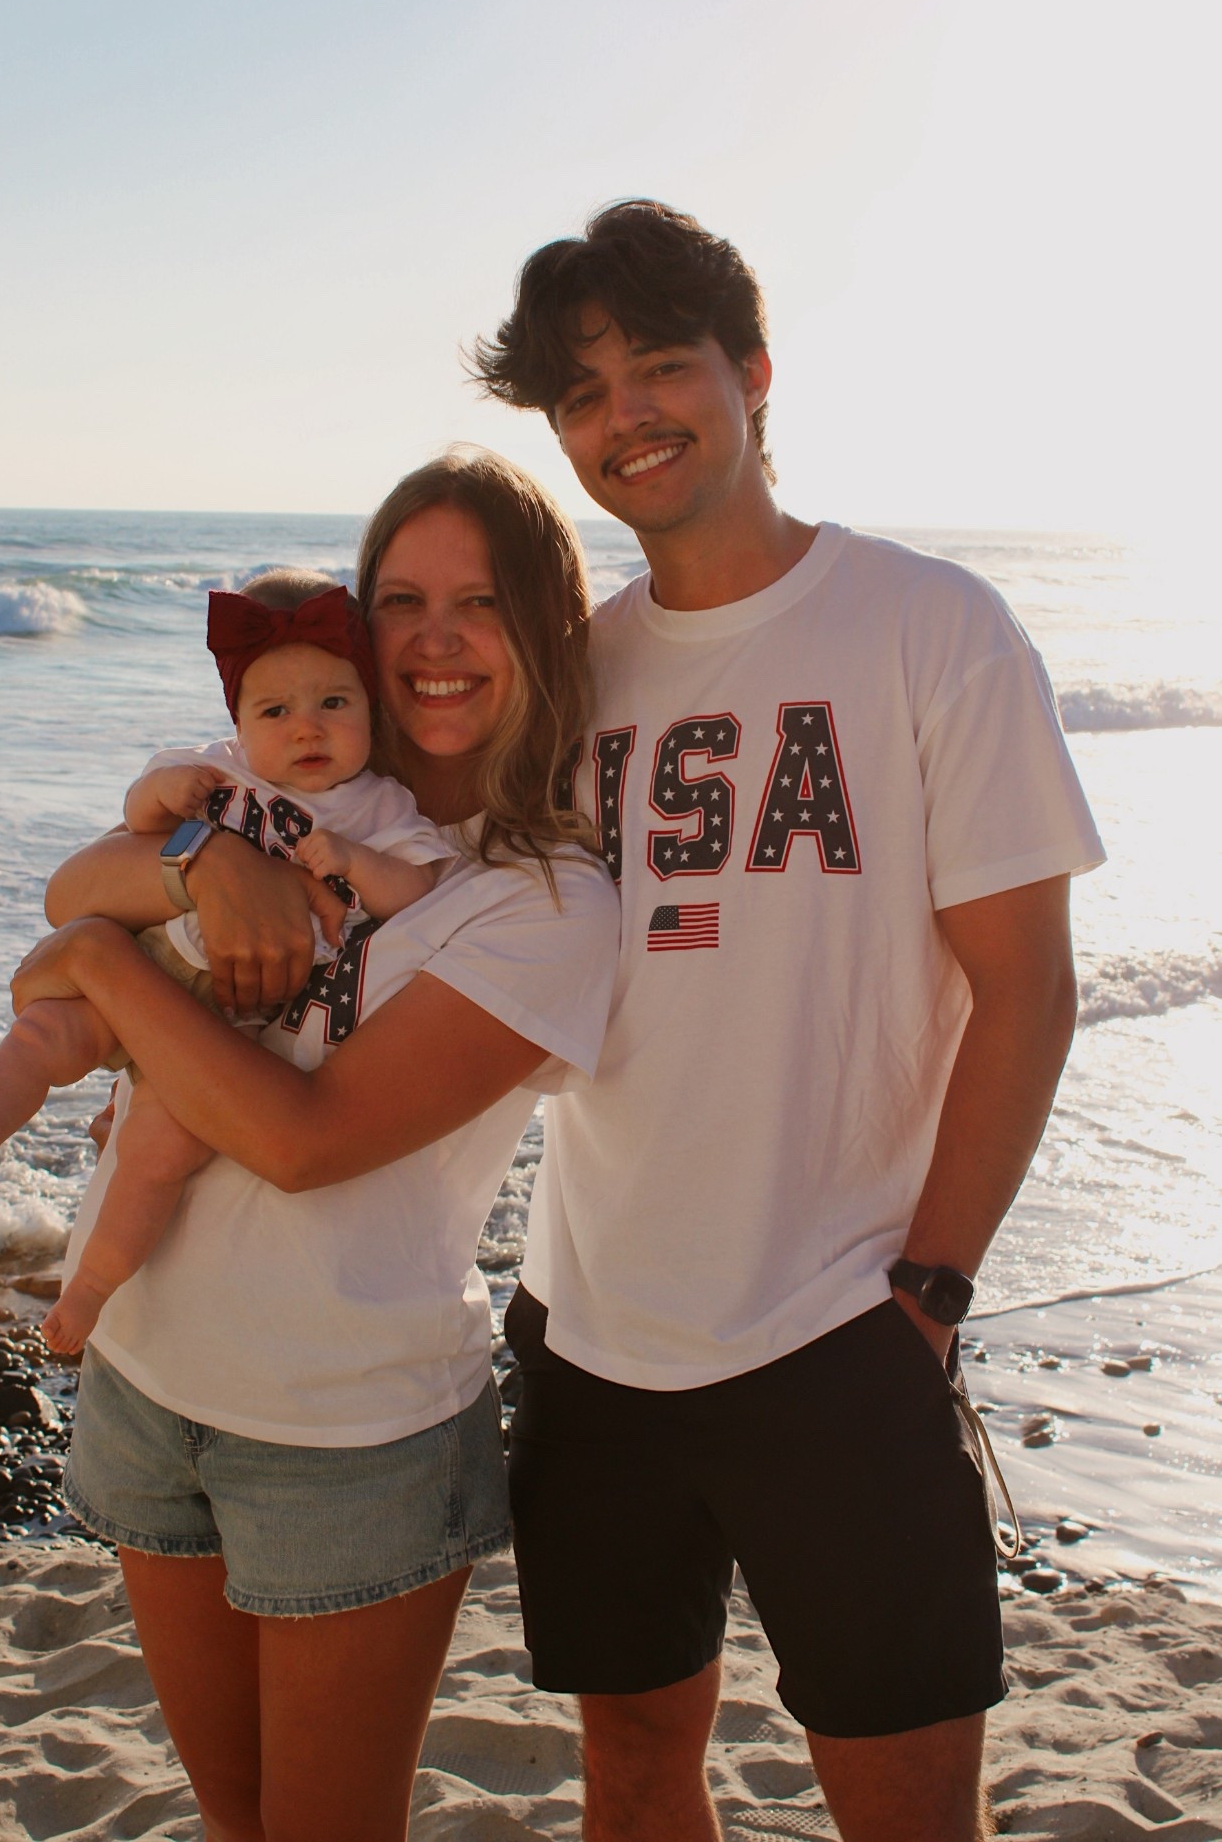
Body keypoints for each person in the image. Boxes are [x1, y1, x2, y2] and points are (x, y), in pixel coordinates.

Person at [470, 199, 1105, 1842]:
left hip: (844, 1323)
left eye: (661, 369)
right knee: (631, 1767)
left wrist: (932, 1290)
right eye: (583, 395)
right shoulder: (571, 673)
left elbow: (1027, 988)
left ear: (752, 373)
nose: (626, 417)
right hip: (593, 1329)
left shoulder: (927, 625)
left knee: (907, 1807)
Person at [9, 450, 620, 1842]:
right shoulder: (277, 790)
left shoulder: (540, 897)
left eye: (483, 599)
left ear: (546, 624)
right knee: (234, 1822)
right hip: (147, 1371)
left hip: (345, 1431)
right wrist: (204, 864)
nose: (437, 637)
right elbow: (67, 893)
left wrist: (104, 974)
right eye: (402, 598)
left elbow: (300, 1140)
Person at [0, 569, 452, 1357]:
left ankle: (88, 1289)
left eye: (334, 703)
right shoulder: (215, 771)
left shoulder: (380, 807)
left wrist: (357, 862)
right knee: (43, 1035)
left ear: (371, 708)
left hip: (232, 1022)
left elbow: (417, 888)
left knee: (159, 1153)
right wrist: (163, 788)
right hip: (153, 960)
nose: (306, 728)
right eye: (275, 711)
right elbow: (133, 822)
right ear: (237, 722)